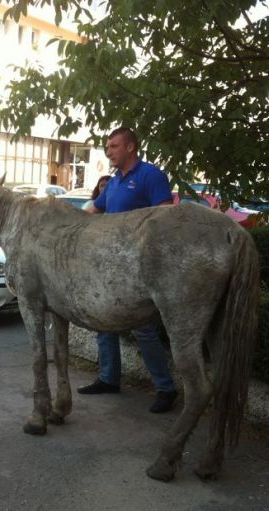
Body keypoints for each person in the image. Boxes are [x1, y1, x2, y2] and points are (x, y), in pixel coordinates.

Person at [78, 127, 179, 413]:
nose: (108, 151)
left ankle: (166, 388)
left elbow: (165, 217)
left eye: (113, 146)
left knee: (144, 328)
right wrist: (67, 226)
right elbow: (95, 211)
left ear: (131, 147)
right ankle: (109, 379)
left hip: (138, 266)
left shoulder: (151, 176)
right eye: (108, 147)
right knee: (103, 323)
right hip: (110, 264)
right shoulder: (113, 182)